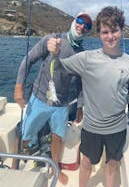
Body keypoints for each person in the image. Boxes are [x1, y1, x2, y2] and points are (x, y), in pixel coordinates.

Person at [47, 6, 129, 187]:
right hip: (91, 128)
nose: (110, 36)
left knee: (112, 164)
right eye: (105, 32)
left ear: (122, 30)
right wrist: (54, 53)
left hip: (117, 129)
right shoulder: (86, 58)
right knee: (86, 163)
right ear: (99, 34)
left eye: (114, 30)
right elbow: (59, 68)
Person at [13, 12, 93, 185]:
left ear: (88, 31)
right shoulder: (53, 39)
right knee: (25, 134)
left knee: (58, 137)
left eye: (87, 26)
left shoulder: (82, 54)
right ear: (73, 22)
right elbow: (28, 61)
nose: (82, 26)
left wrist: (80, 106)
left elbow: (81, 83)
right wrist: (18, 88)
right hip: (40, 98)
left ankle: (54, 167)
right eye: (80, 21)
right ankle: (14, 166)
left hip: (62, 104)